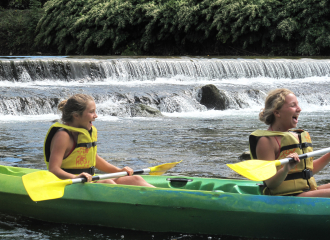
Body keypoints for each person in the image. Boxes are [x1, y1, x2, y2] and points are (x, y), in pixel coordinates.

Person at [44, 93, 155, 187]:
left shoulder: (89, 131)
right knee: (108, 182)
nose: (95, 116)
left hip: (87, 181)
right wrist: (76, 177)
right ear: (76, 115)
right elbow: (53, 169)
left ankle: (166, 196)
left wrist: (118, 171)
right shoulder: (63, 136)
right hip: (70, 182)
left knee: (135, 179)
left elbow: (94, 159)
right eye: (91, 112)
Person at [249, 88, 330, 197]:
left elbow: (308, 169)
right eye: (293, 105)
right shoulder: (266, 141)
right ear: (277, 112)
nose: (299, 109)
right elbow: (270, 183)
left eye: (298, 105)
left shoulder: (297, 136)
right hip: (286, 197)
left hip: (307, 191)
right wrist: (286, 169)